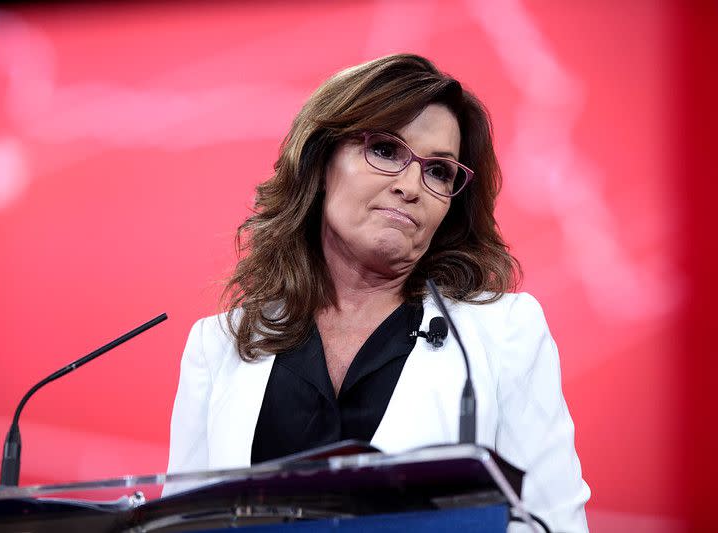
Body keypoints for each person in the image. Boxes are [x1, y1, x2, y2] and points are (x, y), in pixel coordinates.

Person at [165, 54, 590, 532]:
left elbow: (551, 523)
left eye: (439, 172)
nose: (412, 186)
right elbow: (179, 523)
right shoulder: (222, 342)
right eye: (386, 150)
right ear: (320, 163)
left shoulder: (500, 333)